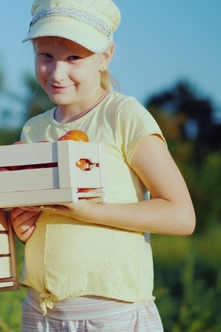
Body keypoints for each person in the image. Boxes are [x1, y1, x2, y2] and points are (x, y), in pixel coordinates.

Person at [10, 0, 196, 330]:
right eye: (46, 56)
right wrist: (24, 227)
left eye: (74, 58)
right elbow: (44, 219)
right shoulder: (33, 130)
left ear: (105, 57)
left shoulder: (122, 116)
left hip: (111, 314)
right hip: (41, 312)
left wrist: (87, 211)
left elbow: (181, 215)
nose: (57, 73)